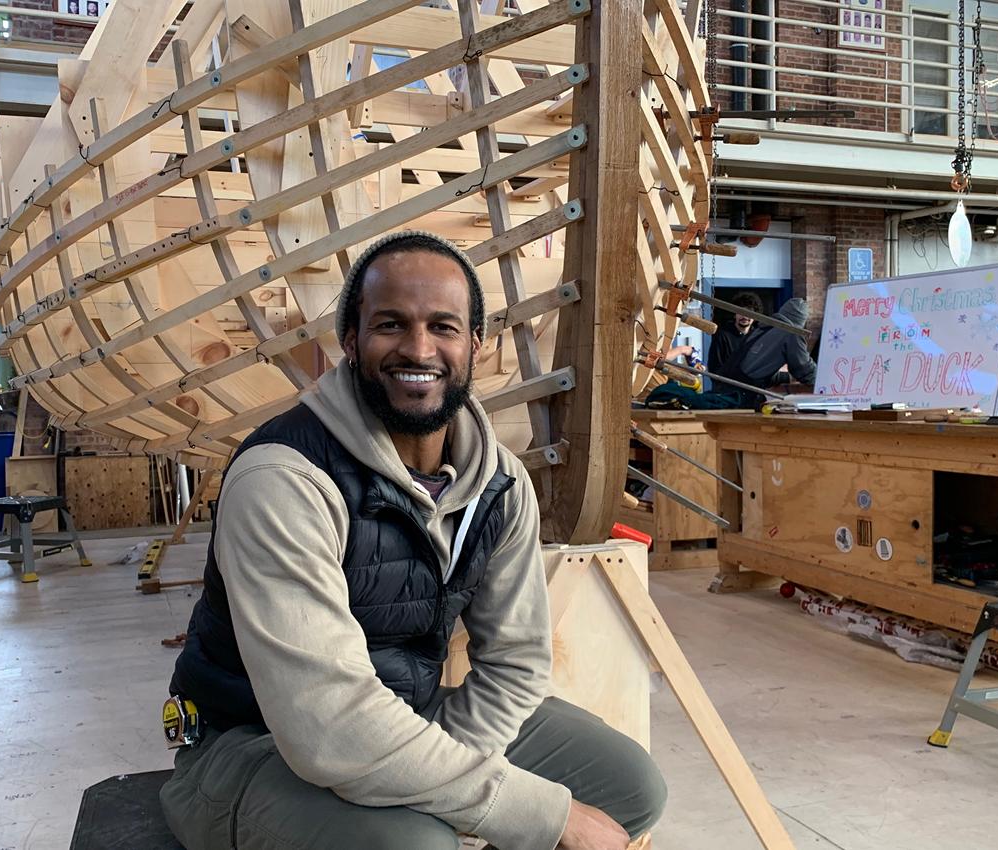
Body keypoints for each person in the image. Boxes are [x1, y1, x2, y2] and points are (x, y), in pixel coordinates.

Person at [160, 230, 667, 850]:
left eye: (444, 327)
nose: (418, 348)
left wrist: (454, 780)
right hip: (248, 743)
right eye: (390, 325)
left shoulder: (500, 484)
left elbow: (516, 661)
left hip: (408, 712)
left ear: (476, 345)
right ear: (351, 340)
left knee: (630, 785)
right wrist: (533, 812)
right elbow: (328, 726)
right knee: (413, 844)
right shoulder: (284, 479)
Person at [689, 296, 817, 409]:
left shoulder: (763, 328)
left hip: (728, 391)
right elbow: (804, 369)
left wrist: (786, 377)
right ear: (802, 320)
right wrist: (823, 382)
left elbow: (758, 369)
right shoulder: (791, 333)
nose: (745, 316)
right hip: (741, 396)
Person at [706, 292, 763, 373]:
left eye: (749, 312)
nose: (745, 316)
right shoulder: (722, 336)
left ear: (755, 316)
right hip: (727, 384)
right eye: (741, 311)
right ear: (734, 314)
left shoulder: (759, 337)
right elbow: (714, 368)